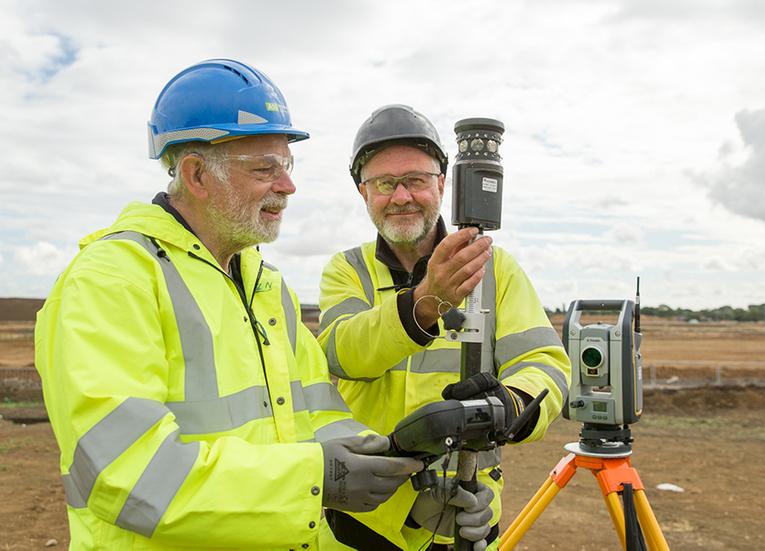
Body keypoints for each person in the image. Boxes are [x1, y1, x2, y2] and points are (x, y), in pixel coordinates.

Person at [34, 59, 424, 550]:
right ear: (197, 175)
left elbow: (318, 417)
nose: (288, 186)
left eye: (287, 166)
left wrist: (404, 473)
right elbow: (126, 474)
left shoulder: (264, 283)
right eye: (265, 168)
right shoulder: (111, 280)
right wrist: (317, 477)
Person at [317, 105, 572, 550]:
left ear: (441, 183)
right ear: (363, 192)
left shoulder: (494, 269)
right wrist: (426, 301)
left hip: (467, 510)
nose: (400, 196)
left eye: (414, 180)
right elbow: (344, 353)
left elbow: (545, 364)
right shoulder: (347, 271)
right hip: (364, 515)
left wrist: (503, 408)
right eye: (384, 183)